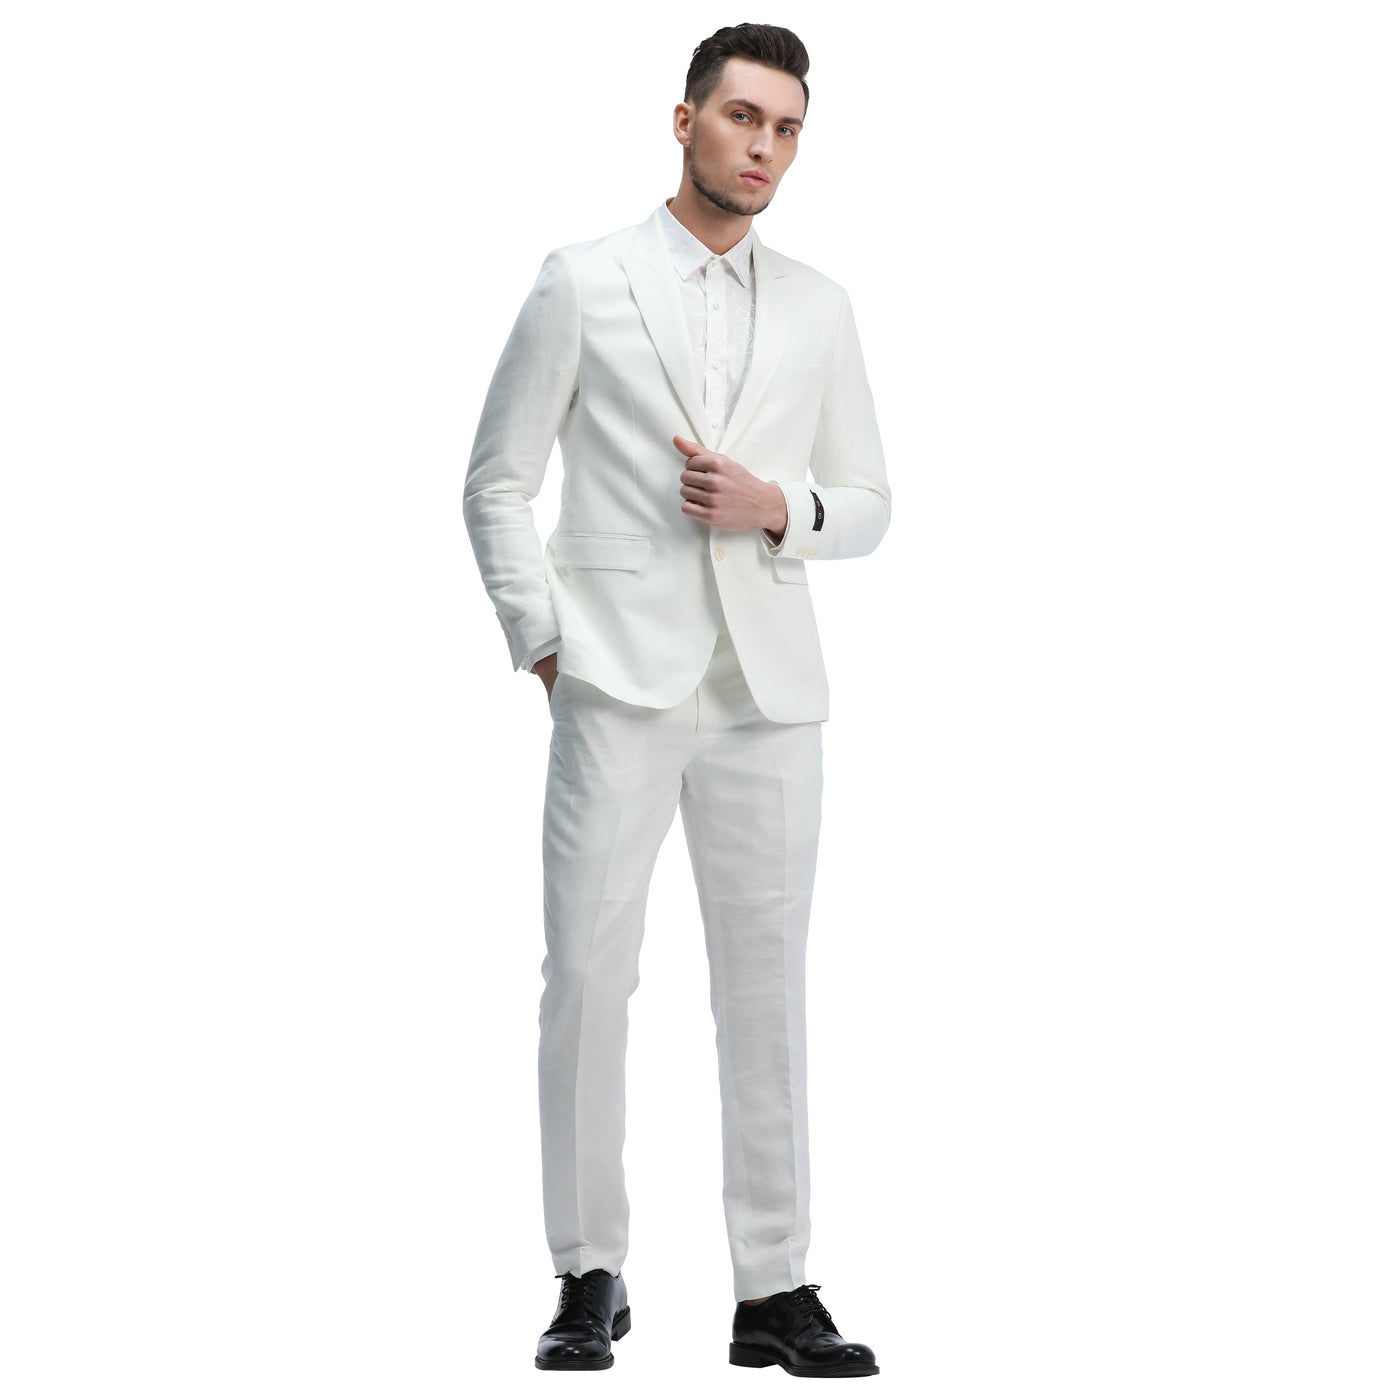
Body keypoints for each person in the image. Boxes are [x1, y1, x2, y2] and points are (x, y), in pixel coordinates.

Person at [463, 23, 890, 1378]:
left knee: (768, 985)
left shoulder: (821, 305)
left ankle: (775, 1286)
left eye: (787, 128)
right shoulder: (582, 279)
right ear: (685, 119)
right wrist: (545, 640)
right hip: (616, 680)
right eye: (743, 117)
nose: (764, 147)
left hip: (768, 691)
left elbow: (869, 501)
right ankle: (588, 1269)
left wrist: (780, 506)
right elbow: (496, 480)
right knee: (588, 976)